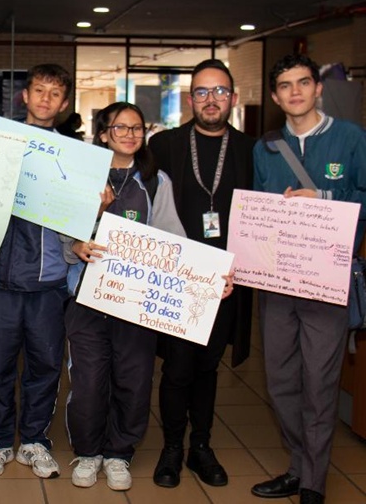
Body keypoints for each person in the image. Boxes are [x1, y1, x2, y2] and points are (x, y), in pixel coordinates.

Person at [250, 54, 366, 504]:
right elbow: (257, 209)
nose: (295, 91)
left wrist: (326, 197)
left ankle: (313, 484)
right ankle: (298, 466)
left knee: (319, 384)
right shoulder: (267, 147)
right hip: (277, 283)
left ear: (318, 89)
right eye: (285, 85)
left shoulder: (351, 138)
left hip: (327, 282)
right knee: (281, 383)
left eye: (303, 83)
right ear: (276, 96)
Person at [64, 102, 188, 492]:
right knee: (88, 380)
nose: (131, 135)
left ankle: (119, 452)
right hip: (86, 297)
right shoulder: (84, 177)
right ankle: (87, 452)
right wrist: (79, 241)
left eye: (137, 128)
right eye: (121, 128)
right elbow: (65, 233)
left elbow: (173, 240)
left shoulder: (156, 181)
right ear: (103, 134)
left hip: (136, 302)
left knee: (134, 380)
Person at [148, 59, 255, 489]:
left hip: (227, 282)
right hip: (178, 278)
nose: (211, 100)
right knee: (177, 369)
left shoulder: (251, 150)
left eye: (220, 92)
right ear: (190, 98)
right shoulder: (165, 145)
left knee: (208, 368)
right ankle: (172, 447)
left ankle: (202, 447)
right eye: (202, 92)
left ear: (232, 97)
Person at [0, 64, 72, 479]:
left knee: (45, 365)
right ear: (24, 97)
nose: (45, 99)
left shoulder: (75, 158)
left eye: (54, 93)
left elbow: (78, 222)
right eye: (39, 90)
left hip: (49, 281)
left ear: (63, 104)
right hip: (0, 277)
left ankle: (33, 440)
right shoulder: (0, 143)